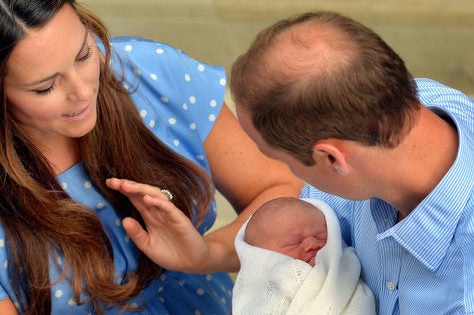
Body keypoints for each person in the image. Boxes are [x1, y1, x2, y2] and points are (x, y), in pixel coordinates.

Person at [0, 0, 303, 314]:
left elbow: (281, 190)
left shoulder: (151, 72)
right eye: (45, 87)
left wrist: (206, 255)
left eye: (84, 54)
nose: (84, 90)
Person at [230, 11, 474, 315]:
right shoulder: (406, 100)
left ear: (332, 158)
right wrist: (207, 255)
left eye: (285, 162)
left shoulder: (464, 293)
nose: (296, 180)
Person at [232, 197, 376, 314]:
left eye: (321, 236)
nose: (312, 244)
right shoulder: (268, 286)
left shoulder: (345, 265)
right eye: (295, 242)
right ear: (263, 255)